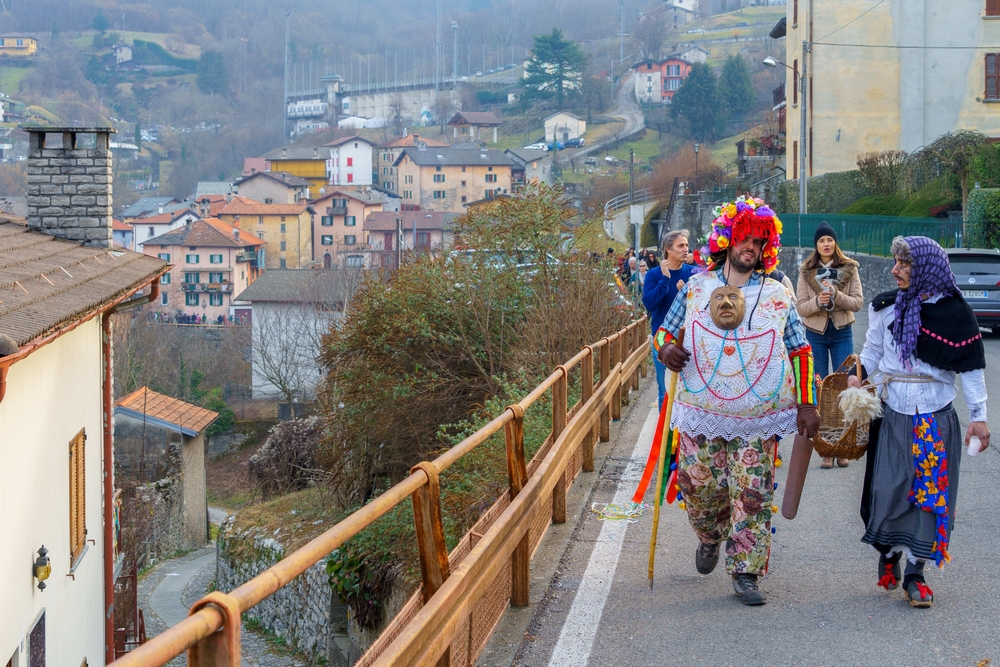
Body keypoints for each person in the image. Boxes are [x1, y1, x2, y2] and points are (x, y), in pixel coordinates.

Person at [655, 197, 819, 606]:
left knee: (752, 495)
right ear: (727, 239)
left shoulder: (778, 294)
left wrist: (806, 403)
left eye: (759, 241)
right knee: (698, 489)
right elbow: (663, 332)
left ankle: (746, 572)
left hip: (759, 418)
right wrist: (665, 351)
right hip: (699, 414)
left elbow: (800, 350)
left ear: (767, 246)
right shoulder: (696, 287)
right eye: (744, 237)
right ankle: (710, 537)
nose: (751, 246)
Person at [850, 236, 988, 609]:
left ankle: (915, 572)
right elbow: (873, 351)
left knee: (929, 497)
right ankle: (889, 551)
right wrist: (856, 377)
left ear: (925, 268)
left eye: (903, 264)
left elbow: (971, 368)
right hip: (894, 415)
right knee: (888, 490)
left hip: (934, 417)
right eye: (895, 263)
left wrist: (979, 418)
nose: (895, 270)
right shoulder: (886, 308)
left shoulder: (955, 313)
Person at [795, 221, 864, 468]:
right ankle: (825, 448)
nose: (826, 244)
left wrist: (836, 295)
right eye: (822, 240)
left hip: (842, 331)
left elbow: (857, 302)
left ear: (835, 243)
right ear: (816, 245)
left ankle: (842, 446)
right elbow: (801, 307)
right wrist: (818, 300)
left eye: (830, 240)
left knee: (843, 387)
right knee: (821, 389)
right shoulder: (805, 270)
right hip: (815, 333)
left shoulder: (849, 268)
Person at [643, 229, 696, 409]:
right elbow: (649, 304)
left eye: (686, 245)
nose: (685, 249)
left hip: (690, 341)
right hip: (662, 341)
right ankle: (664, 435)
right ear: (668, 249)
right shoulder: (654, 275)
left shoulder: (693, 274)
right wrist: (664, 281)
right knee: (664, 391)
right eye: (681, 245)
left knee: (689, 392)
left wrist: (687, 294)